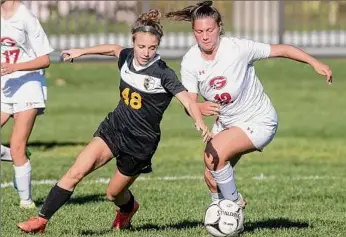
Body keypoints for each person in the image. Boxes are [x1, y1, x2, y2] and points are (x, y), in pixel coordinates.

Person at [16, 9, 211, 234]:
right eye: (141, 46)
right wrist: (81, 52)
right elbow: (113, 49)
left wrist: (200, 122)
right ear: (134, 42)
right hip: (114, 128)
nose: (146, 52)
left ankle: (128, 208)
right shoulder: (127, 57)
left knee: (113, 194)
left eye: (152, 47)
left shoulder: (163, 73)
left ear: (158, 46)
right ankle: (41, 220)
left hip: (140, 143)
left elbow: (187, 100)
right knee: (76, 171)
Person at [166, 0, 332, 233]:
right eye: (199, 31)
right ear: (193, 32)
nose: (205, 36)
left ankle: (233, 207)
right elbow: (189, 102)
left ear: (220, 27)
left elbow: (282, 49)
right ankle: (226, 223)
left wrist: (315, 62)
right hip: (227, 124)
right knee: (211, 173)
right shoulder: (191, 61)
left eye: (210, 30)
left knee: (215, 154)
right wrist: (198, 109)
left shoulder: (237, 48)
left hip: (259, 120)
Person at [1, 0, 54, 209]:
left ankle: (27, 202)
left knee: (18, 144)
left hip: (27, 85)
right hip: (5, 85)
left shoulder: (26, 17)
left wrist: (15, 67)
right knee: (16, 151)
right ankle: (14, 156)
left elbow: (45, 59)